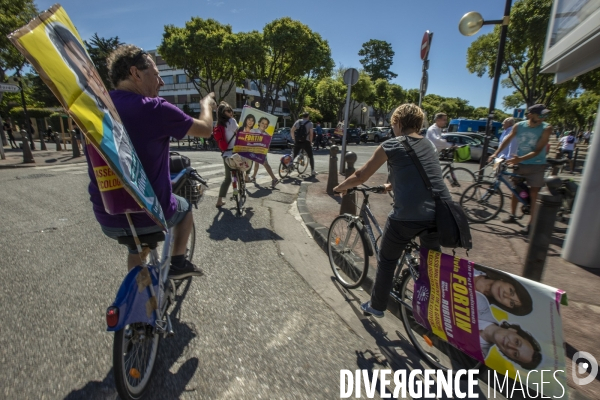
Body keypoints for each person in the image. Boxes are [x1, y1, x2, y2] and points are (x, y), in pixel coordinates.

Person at [88, 44, 216, 278]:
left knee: (137, 246)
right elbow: (206, 130)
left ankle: (137, 298)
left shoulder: (95, 109)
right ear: (136, 73)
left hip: (108, 216)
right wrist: (205, 106)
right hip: (152, 215)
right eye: (156, 74)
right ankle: (178, 262)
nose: (161, 82)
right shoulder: (156, 109)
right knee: (185, 207)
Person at [334, 104, 451, 318]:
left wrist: (341, 187)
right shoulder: (430, 145)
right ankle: (438, 309)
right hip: (439, 214)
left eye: (393, 124)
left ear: (397, 123)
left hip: (407, 217)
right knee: (431, 265)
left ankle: (377, 306)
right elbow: (421, 173)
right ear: (418, 123)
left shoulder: (391, 145)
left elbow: (361, 175)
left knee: (387, 260)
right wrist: (391, 185)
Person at [489, 104, 552, 236]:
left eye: (544, 115)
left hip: (537, 165)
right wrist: (496, 153)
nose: (543, 117)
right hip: (520, 163)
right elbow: (508, 139)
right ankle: (512, 215)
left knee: (534, 194)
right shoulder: (519, 126)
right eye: (540, 114)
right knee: (515, 190)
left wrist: (519, 158)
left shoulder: (546, 128)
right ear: (530, 114)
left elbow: (538, 150)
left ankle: (531, 224)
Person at [215, 102, 240, 208]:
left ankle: (219, 201)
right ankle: (247, 176)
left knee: (227, 178)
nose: (231, 112)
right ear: (223, 113)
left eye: (231, 110)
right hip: (235, 152)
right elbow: (239, 132)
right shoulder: (232, 121)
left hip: (225, 153)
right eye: (228, 110)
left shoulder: (219, 124)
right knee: (248, 161)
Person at [249, 117, 279, 188]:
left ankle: (274, 179)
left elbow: (267, 147)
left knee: (265, 164)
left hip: (261, 151)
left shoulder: (267, 135)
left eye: (266, 124)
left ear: (267, 126)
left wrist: (265, 149)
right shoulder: (253, 131)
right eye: (262, 123)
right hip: (253, 150)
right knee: (256, 163)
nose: (264, 125)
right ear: (259, 123)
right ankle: (253, 176)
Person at [290, 112, 316, 176]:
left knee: (294, 154)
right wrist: (310, 142)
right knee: (310, 156)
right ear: (308, 116)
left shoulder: (298, 122)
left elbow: (292, 130)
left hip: (298, 141)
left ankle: (288, 166)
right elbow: (311, 134)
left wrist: (293, 138)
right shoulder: (310, 123)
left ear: (302, 116)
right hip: (306, 142)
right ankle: (312, 171)